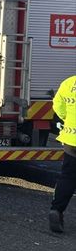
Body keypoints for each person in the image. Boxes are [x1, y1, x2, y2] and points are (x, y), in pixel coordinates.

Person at [49, 74, 76, 233]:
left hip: (71, 139)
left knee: (68, 177)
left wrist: (68, 119)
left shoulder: (69, 83)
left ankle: (56, 210)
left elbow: (58, 106)